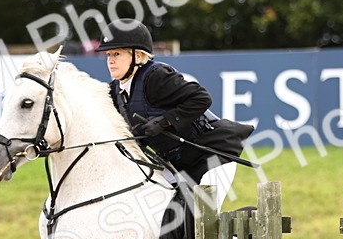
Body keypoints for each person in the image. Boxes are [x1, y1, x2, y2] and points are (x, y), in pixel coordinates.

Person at [97, 19, 253, 203]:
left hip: (211, 155)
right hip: (175, 164)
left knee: (200, 214)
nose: (110, 60)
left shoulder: (156, 77)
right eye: (108, 55)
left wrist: (164, 121)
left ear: (137, 56)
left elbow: (202, 98)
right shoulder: (115, 92)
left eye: (117, 53)